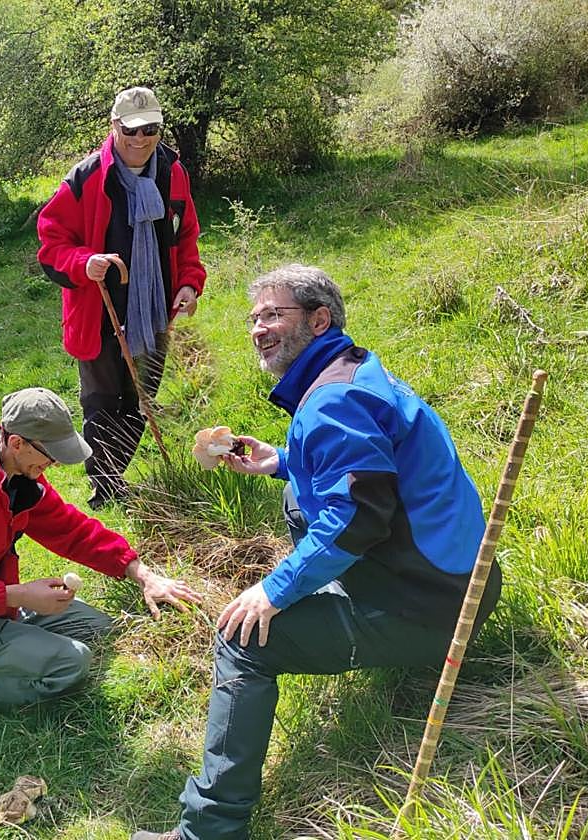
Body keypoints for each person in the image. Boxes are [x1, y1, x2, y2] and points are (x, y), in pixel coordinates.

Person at [131, 265, 502, 840]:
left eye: (274, 314)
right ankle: (348, 604)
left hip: (436, 611)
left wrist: (274, 589)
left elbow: (358, 515)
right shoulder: (352, 371)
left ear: (320, 319)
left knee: (242, 641)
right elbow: (368, 477)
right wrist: (281, 460)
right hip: (467, 580)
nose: (258, 328)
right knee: (295, 498)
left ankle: (208, 830)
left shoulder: (331, 402)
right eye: (254, 318)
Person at [0, 387, 202, 728]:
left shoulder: (18, 478)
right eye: (49, 454)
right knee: (71, 665)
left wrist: (143, 574)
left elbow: (73, 531)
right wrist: (18, 595)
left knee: (99, 630)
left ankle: (3, 647)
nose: (54, 464)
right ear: (16, 443)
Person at [37, 86, 207, 509]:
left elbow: (185, 236)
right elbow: (51, 241)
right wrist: (84, 262)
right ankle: (105, 488)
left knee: (138, 398)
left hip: (154, 311)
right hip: (101, 313)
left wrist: (189, 283)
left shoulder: (173, 172)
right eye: (130, 129)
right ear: (114, 127)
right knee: (102, 403)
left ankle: (115, 474)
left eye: (149, 128)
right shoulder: (87, 177)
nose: (140, 138)